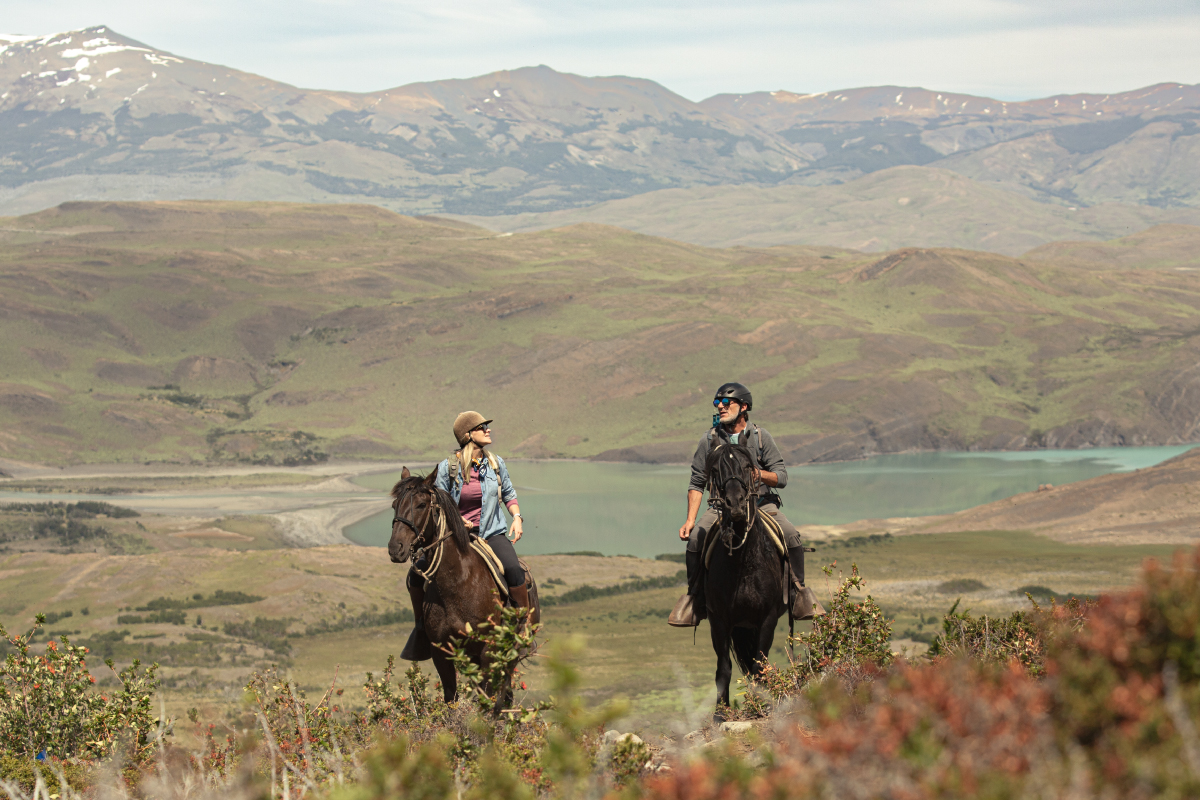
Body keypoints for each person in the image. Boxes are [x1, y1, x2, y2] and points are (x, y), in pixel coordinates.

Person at [667, 382, 810, 627]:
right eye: (717, 403)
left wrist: (757, 474)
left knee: (791, 536)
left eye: (726, 403)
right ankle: (695, 599)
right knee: (694, 541)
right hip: (720, 508)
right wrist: (690, 520)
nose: (720, 407)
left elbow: (781, 476)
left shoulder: (761, 437)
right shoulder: (709, 439)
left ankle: (799, 594)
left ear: (744, 407)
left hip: (761, 504)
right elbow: (697, 481)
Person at [401, 411, 528, 661]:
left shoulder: (496, 463)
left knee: (514, 570)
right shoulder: (448, 468)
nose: (488, 430)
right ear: (468, 435)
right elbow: (438, 502)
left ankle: (521, 628)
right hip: (456, 537)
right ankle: (421, 629)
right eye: (482, 427)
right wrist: (458, 521)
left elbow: (509, 494)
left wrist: (516, 517)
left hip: (492, 533)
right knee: (415, 576)